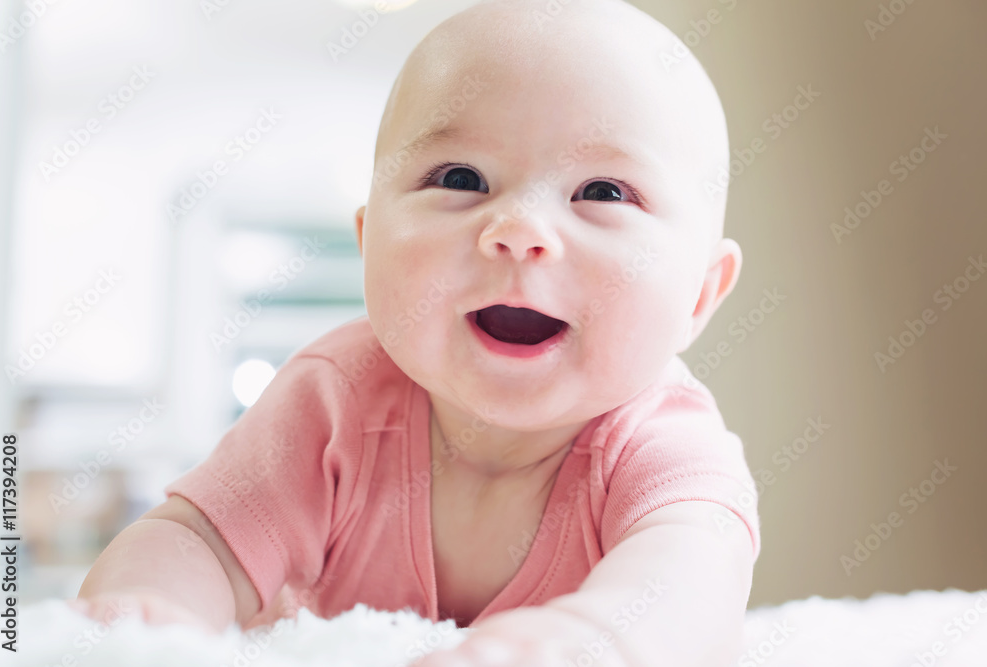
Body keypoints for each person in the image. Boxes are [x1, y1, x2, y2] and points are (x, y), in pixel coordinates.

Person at [74, 1, 761, 664]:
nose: (519, 230)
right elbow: (200, 540)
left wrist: (592, 644)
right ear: (369, 241)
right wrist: (149, 612)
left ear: (699, 293)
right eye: (461, 178)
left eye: (603, 192)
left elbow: (692, 585)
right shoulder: (333, 399)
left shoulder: (664, 445)